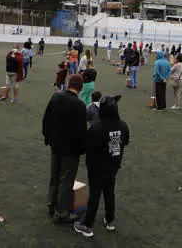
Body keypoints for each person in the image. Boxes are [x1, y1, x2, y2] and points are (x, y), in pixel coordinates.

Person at [74, 95, 129, 237]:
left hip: (97, 167)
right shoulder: (123, 126)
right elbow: (125, 141)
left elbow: (86, 146)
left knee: (95, 194)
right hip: (114, 164)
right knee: (109, 191)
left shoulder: (97, 128)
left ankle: (87, 225)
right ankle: (110, 220)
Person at [42, 74, 87, 223]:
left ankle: (51, 205)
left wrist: (47, 138)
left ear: (68, 85)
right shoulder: (79, 105)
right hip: (70, 150)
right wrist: (82, 149)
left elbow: (46, 119)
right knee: (66, 180)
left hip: (55, 145)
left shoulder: (56, 97)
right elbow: (82, 131)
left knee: (54, 177)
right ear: (80, 88)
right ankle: (62, 212)